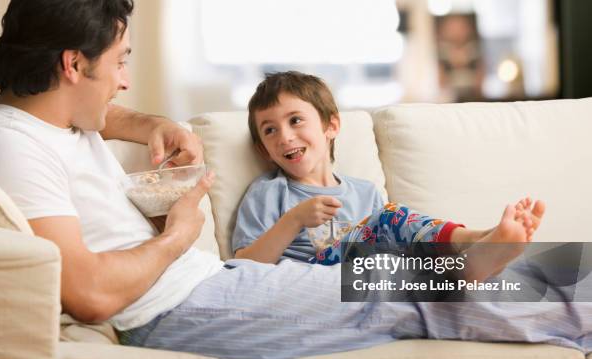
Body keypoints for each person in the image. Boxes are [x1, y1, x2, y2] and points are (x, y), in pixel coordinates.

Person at [0, 0, 589, 359]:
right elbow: (88, 295)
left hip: (216, 283)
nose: (122, 82)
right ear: (72, 64)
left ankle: (558, 274)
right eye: (119, 62)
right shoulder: (10, 147)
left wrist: (152, 124)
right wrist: (179, 234)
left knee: (394, 270)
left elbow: (105, 113)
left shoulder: (49, 114)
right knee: (398, 287)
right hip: (179, 309)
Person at [233, 71, 545, 275]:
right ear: (264, 149)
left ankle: (476, 252)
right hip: (313, 277)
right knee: (389, 219)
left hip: (372, 276)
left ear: (331, 126)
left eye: (295, 120)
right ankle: (475, 243)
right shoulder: (269, 191)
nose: (284, 136)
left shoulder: (364, 191)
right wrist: (294, 220)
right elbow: (243, 265)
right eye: (270, 130)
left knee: (403, 252)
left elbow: (398, 245)